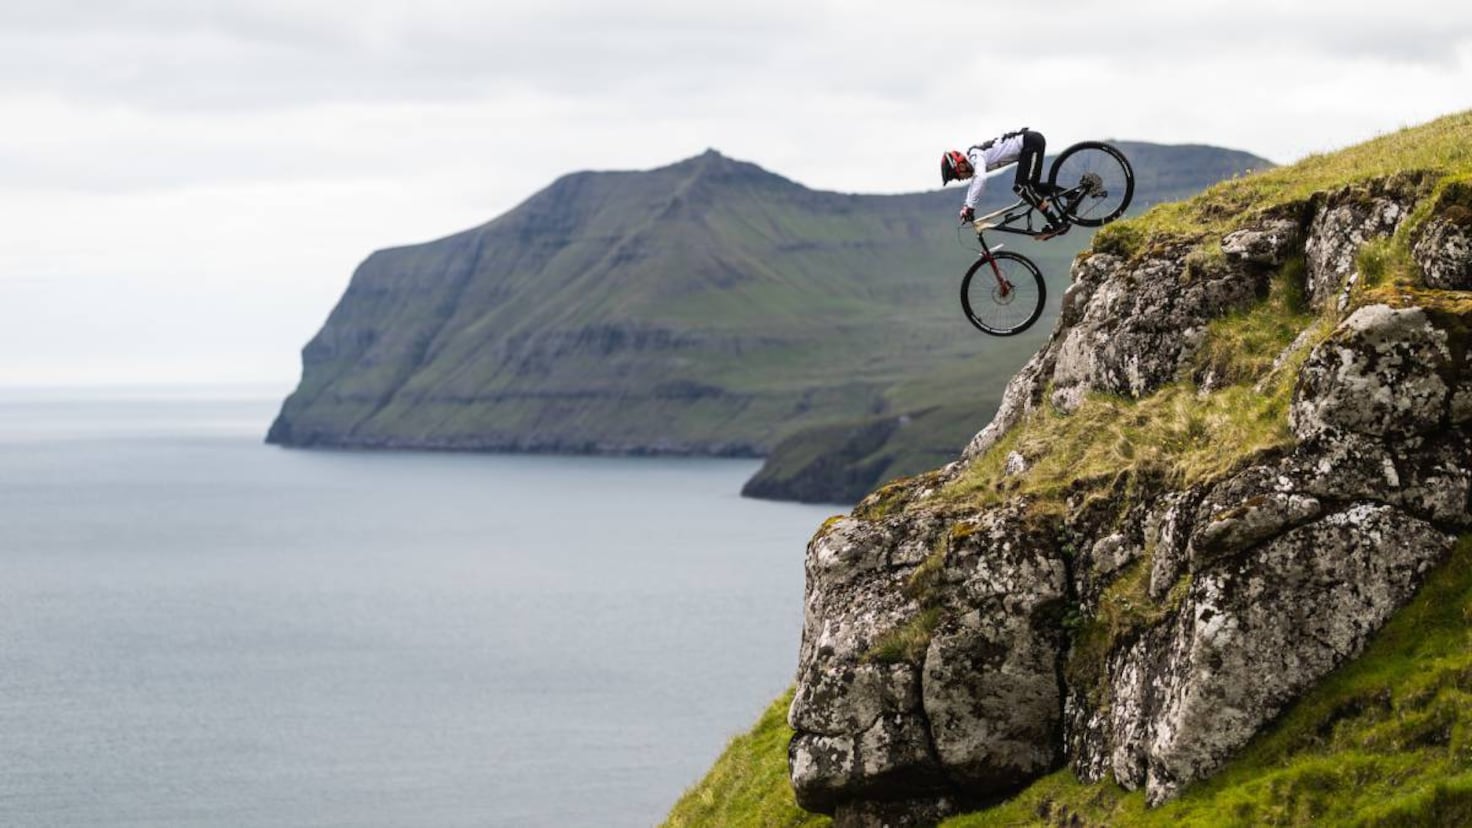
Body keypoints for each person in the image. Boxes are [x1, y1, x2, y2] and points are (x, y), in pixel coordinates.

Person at [940, 127, 1060, 232]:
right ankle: (1072, 195)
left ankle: (1055, 223)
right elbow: (974, 183)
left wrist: (970, 207)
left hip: (1030, 142)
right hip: (1029, 145)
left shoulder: (975, 155)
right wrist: (967, 206)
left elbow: (980, 179)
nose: (959, 180)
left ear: (960, 166)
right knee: (1032, 188)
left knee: (1022, 188)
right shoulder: (975, 161)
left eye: (955, 176)